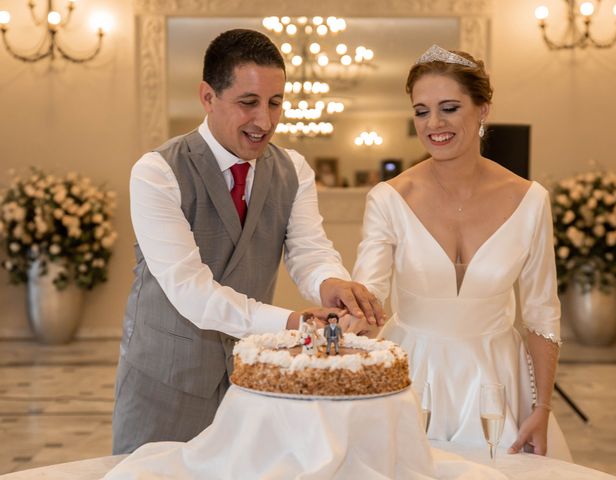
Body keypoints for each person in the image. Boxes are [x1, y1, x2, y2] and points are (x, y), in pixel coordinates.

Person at [112, 29, 384, 455]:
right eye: (248, 103)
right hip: (164, 379)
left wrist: (332, 283)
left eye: (275, 102)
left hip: (252, 378)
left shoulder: (293, 168)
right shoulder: (156, 172)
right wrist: (296, 324)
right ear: (207, 96)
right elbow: (192, 293)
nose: (266, 121)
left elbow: (309, 250)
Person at [351, 45, 572, 460]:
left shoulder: (530, 200)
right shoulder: (388, 199)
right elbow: (368, 295)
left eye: (449, 108)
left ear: (483, 108)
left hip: (496, 382)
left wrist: (542, 408)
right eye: (421, 111)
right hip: (408, 377)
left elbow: (543, 313)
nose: (434, 123)